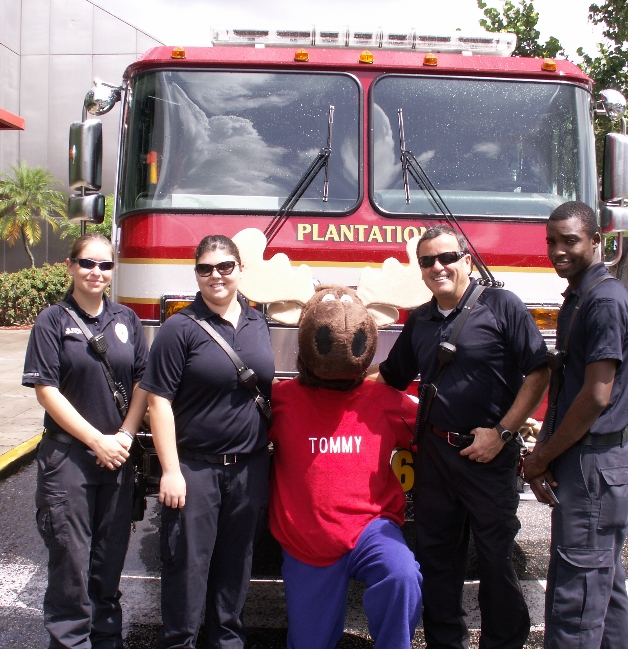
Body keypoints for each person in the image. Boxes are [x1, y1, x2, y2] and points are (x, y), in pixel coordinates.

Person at [370, 224, 550, 649]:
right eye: (427, 261)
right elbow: (391, 377)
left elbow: (539, 371)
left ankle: (503, 642)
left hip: (490, 455)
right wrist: (331, 382)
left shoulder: (503, 305)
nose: (438, 267)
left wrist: (502, 433)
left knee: (496, 560)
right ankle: (445, 642)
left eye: (447, 257)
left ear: (467, 261)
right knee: (436, 561)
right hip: (435, 454)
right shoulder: (420, 319)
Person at [268, 286, 423, 649]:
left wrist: (500, 428)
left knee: (401, 576)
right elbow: (235, 427)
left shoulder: (383, 399)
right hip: (307, 537)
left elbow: (433, 428)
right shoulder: (282, 399)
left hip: (372, 528)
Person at [140, 234, 274, 649]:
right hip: (195, 468)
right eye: (205, 268)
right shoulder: (179, 328)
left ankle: (227, 642)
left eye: (225, 267)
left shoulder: (258, 323)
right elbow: (158, 402)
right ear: (196, 273)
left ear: (240, 270)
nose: (216, 276)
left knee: (236, 567)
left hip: (249, 468)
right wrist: (170, 470)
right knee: (187, 569)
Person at [22, 232, 149, 649]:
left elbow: (143, 383)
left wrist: (125, 435)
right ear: (71, 266)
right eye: (87, 263)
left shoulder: (127, 319)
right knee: (71, 568)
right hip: (69, 458)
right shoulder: (52, 321)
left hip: (118, 457)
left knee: (108, 565)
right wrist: (98, 440)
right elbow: (47, 391)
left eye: (105, 265)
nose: (96, 272)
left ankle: (107, 641)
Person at [523, 201, 628, 649]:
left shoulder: (603, 301)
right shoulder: (580, 297)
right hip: (585, 460)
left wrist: (541, 458)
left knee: (575, 605)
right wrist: (547, 452)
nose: (558, 251)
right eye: (551, 241)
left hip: (593, 464)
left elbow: (595, 397)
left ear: (596, 241)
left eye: (570, 241)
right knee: (604, 595)